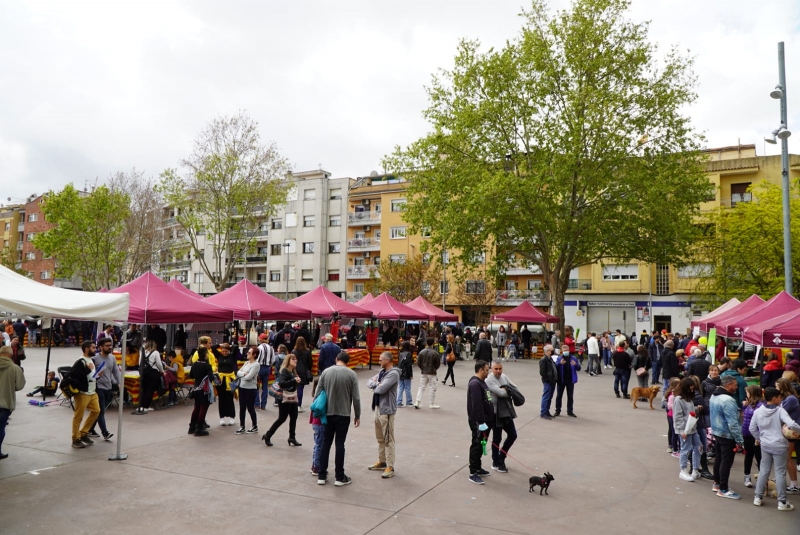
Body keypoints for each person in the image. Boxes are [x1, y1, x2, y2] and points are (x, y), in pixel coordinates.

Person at [750, 386, 800, 510]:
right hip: (780, 445)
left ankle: (758, 497)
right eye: (779, 397)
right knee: (780, 473)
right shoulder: (780, 411)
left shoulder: (758, 411)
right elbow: (792, 424)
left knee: (764, 471)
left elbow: (752, 428)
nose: (781, 399)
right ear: (774, 398)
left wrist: (760, 438)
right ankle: (782, 502)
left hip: (765, 445)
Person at [316, 352, 361, 487]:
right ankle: (339, 476)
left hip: (327, 413)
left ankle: (321, 475)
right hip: (343, 414)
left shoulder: (326, 372)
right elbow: (356, 398)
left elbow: (318, 393)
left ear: (336, 359)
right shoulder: (351, 374)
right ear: (348, 361)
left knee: (325, 443)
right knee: (340, 444)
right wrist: (357, 415)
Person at [710, 375, 744, 499]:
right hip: (727, 435)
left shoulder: (714, 395)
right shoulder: (728, 400)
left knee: (719, 458)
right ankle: (723, 489)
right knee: (726, 461)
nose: (736, 386)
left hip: (717, 432)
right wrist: (739, 440)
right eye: (735, 384)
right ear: (728, 385)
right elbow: (733, 422)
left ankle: (717, 483)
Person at [367, 351, 400, 479]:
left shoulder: (393, 374)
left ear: (388, 360)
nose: (379, 361)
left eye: (381, 360)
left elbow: (381, 389)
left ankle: (390, 466)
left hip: (387, 410)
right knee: (380, 437)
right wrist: (377, 384)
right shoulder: (382, 373)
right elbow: (370, 382)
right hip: (378, 407)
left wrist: (377, 385)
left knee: (388, 438)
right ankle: (382, 461)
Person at [485, 360, 518, 473]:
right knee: (497, 438)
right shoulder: (489, 380)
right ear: (491, 369)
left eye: (500, 368)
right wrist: (505, 390)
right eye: (496, 369)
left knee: (513, 435)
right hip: (495, 413)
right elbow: (502, 393)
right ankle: (496, 462)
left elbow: (515, 387)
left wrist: (506, 389)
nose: (498, 371)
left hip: (506, 411)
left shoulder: (504, 376)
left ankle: (502, 455)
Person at [263, 353, 302, 447]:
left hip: (292, 397)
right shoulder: (285, 371)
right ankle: (268, 435)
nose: (295, 361)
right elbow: (282, 383)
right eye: (293, 359)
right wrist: (294, 381)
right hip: (284, 397)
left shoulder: (293, 371)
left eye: (296, 359)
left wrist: (298, 381)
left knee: (294, 416)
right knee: (282, 418)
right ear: (288, 361)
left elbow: (292, 384)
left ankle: (292, 437)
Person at [69, 341, 101, 448]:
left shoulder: (90, 360)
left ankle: (83, 433)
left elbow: (91, 376)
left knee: (96, 411)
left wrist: (97, 375)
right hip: (83, 393)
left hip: (92, 392)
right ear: (86, 349)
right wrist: (88, 369)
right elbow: (75, 376)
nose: (95, 349)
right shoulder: (80, 361)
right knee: (78, 416)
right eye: (93, 347)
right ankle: (75, 438)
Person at [467, 360, 494, 485]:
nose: (488, 372)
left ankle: (478, 466)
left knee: (481, 443)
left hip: (486, 420)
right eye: (487, 370)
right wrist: (481, 422)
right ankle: (473, 472)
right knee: (477, 444)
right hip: (478, 421)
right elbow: (476, 404)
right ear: (481, 369)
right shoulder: (475, 384)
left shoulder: (482, 382)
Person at [88, 337, 119, 441]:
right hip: (98, 388)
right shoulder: (95, 359)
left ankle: (89, 429)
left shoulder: (113, 358)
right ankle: (105, 433)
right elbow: (90, 375)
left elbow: (116, 372)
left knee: (99, 411)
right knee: (101, 411)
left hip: (108, 387)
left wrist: (119, 383)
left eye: (110, 345)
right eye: (107, 345)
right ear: (100, 347)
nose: (110, 347)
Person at [673, 377, 701, 482]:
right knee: (685, 450)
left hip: (692, 428)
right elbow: (678, 417)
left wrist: (697, 409)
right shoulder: (678, 399)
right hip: (685, 429)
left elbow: (689, 412)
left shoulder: (688, 398)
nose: (692, 391)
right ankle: (683, 470)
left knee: (697, 448)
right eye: (690, 389)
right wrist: (681, 431)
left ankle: (695, 469)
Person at [0, 345, 26, 459]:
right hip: (5, 403)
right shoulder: (15, 368)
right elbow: (20, 385)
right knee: (0, 428)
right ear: (10, 355)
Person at [776, 378, 800, 494]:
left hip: (791, 432)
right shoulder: (790, 398)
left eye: (777, 387)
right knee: (785, 457)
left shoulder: (790, 399)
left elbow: (780, 413)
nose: (776, 389)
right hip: (791, 430)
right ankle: (783, 479)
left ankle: (794, 484)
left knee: (787, 458)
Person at [742, 385, 765, 489]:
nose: (746, 394)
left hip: (755, 435)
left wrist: (758, 437)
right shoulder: (749, 403)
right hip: (746, 433)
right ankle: (747, 477)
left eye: (747, 392)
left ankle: (762, 480)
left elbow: (761, 422)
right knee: (748, 456)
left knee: (759, 457)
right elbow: (746, 417)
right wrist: (744, 406)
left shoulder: (761, 405)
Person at [188, 347, 214, 436]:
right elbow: (211, 378)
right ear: (205, 355)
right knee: (203, 409)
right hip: (204, 389)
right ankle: (199, 428)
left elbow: (191, 375)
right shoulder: (207, 365)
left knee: (196, 408)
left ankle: (192, 427)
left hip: (196, 388)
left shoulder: (194, 364)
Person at [235, 346, 260, 434]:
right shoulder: (246, 363)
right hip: (242, 388)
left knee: (250, 408)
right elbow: (237, 372)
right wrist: (244, 374)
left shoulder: (256, 364)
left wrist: (243, 375)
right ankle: (242, 426)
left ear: (254, 354)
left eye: (249, 352)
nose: (247, 354)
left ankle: (254, 426)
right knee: (242, 408)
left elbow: (249, 377)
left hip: (250, 389)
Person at [135, 340, 163, 415]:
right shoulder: (156, 352)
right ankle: (147, 406)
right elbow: (159, 364)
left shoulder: (142, 352)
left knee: (143, 390)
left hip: (144, 373)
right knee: (150, 390)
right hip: (153, 373)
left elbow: (139, 363)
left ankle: (141, 406)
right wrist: (162, 371)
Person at [414, 337, 441, 410]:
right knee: (432, 388)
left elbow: (419, 363)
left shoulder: (421, 352)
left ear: (426, 343)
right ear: (433, 343)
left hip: (424, 372)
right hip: (432, 372)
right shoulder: (435, 353)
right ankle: (431, 403)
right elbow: (437, 364)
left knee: (421, 387)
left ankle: (417, 402)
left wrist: (422, 368)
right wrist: (434, 369)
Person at [215, 343, 237, 426]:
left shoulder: (232, 356)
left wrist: (230, 345)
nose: (224, 352)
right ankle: (222, 417)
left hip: (230, 379)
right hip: (220, 380)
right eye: (223, 351)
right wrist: (220, 345)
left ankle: (232, 417)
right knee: (221, 398)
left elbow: (236, 347)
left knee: (230, 398)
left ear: (229, 351)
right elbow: (213, 347)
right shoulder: (219, 356)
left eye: (226, 351)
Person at [555, 344, 580, 418]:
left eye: (567, 350)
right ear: (562, 351)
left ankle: (570, 411)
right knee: (559, 396)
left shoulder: (573, 358)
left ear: (569, 350)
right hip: (561, 380)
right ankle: (557, 410)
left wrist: (575, 365)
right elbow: (555, 366)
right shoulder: (559, 358)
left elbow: (579, 368)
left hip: (570, 380)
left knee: (570, 396)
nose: (565, 352)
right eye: (564, 350)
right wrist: (560, 363)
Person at [292, 336, 313, 412]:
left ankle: (293, 404)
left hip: (296, 370)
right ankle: (298, 405)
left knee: (296, 388)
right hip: (304, 370)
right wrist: (308, 370)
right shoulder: (307, 351)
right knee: (301, 388)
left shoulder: (294, 351)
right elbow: (310, 362)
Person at [256, 333, 275, 410]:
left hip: (259, 367)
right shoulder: (271, 348)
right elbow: (273, 360)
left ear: (261, 339)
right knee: (265, 387)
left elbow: (257, 359)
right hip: (267, 368)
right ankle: (263, 405)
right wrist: (269, 365)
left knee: (256, 386)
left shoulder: (259, 347)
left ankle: (257, 404)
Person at [539, 345, 557, 420]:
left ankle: (547, 411)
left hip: (552, 381)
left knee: (549, 397)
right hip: (548, 381)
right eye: (551, 350)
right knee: (546, 397)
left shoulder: (550, 359)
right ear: (547, 351)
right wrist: (547, 379)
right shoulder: (544, 360)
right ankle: (543, 412)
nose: (552, 351)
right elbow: (542, 372)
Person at [396, 341, 414, 407]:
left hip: (400, 372)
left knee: (400, 387)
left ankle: (398, 402)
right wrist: (411, 375)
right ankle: (409, 402)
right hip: (406, 373)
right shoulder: (408, 354)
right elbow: (409, 365)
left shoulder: (400, 353)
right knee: (408, 388)